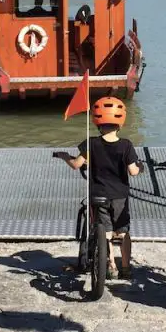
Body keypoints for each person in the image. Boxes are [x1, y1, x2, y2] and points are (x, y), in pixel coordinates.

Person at [54, 96, 143, 279]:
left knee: (106, 232)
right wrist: (141, 166)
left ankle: (111, 265)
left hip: (98, 195)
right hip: (120, 196)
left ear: (96, 121)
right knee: (123, 231)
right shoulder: (126, 145)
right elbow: (133, 171)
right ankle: (126, 268)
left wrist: (64, 156)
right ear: (120, 122)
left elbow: (76, 164)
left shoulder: (91, 143)